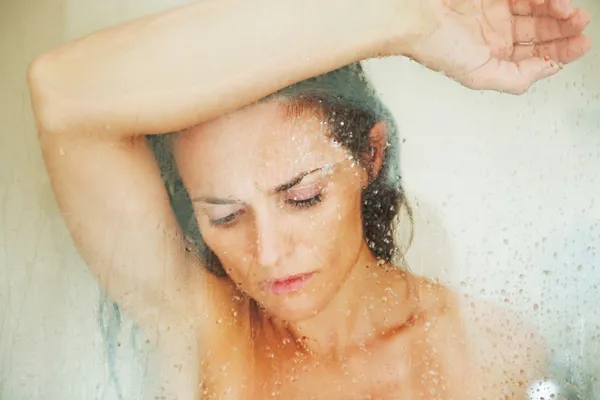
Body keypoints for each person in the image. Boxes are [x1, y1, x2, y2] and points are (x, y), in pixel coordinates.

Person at [27, 0, 591, 398]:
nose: (267, 253)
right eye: (224, 216)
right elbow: (61, 92)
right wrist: (402, 18)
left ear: (371, 157)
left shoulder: (494, 353)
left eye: (303, 197)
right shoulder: (211, 331)